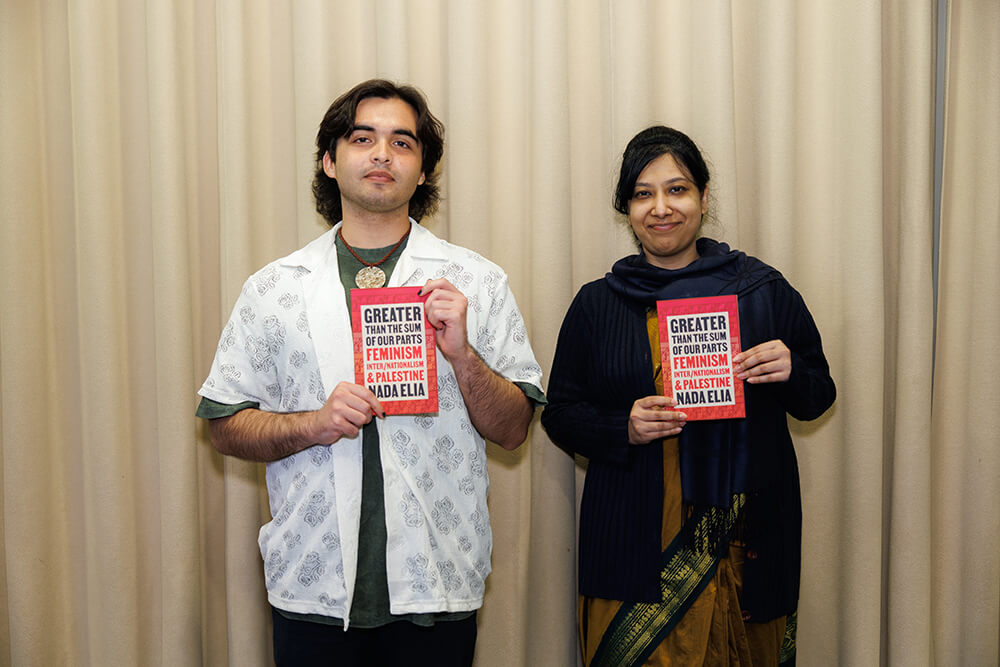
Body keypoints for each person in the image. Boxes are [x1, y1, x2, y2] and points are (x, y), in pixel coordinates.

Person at [197, 79, 545, 666]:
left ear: (424, 170)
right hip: (314, 592)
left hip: (438, 586)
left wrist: (462, 355)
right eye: (363, 138)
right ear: (330, 162)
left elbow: (514, 431)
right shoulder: (274, 288)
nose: (382, 154)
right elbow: (223, 426)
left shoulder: (477, 282)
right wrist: (315, 423)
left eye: (403, 143)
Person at [541, 126, 835, 666]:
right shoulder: (598, 304)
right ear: (625, 208)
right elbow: (559, 414)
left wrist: (792, 369)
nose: (661, 208)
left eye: (677, 189)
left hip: (744, 546)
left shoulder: (761, 290)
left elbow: (818, 396)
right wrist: (621, 426)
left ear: (703, 197)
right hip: (631, 544)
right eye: (643, 194)